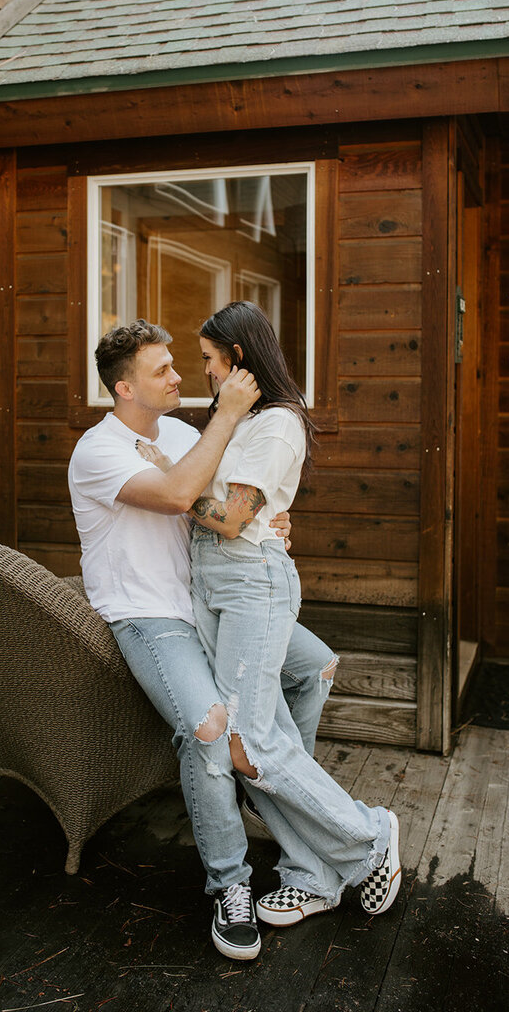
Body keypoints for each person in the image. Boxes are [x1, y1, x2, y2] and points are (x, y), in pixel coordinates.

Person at [68, 319, 338, 961]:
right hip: (151, 617)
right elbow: (182, 492)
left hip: (212, 604)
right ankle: (230, 884)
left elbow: (231, 506)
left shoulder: (186, 432)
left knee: (316, 667)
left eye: (178, 364)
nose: (179, 378)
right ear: (125, 387)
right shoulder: (99, 450)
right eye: (162, 370)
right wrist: (231, 412)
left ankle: (272, 796)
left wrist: (270, 521)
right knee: (210, 729)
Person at [179, 302, 401, 930]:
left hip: (252, 585)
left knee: (249, 745)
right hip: (220, 583)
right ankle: (313, 875)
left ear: (237, 360)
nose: (203, 373)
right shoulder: (241, 421)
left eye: (208, 360)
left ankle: (369, 836)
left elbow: (232, 519)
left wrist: (172, 488)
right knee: (249, 742)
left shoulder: (276, 423)